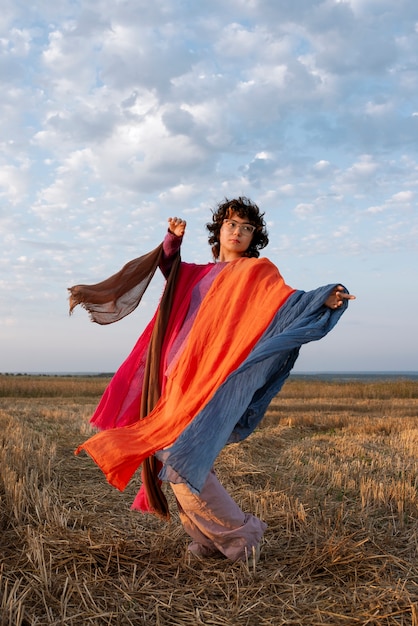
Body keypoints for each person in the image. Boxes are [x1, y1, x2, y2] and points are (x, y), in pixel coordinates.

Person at [69, 197, 355, 564]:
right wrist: (171, 241)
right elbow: (172, 273)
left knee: (179, 455)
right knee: (184, 458)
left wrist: (324, 298)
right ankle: (205, 538)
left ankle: (241, 535)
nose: (238, 232)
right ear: (219, 230)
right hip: (176, 376)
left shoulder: (258, 272)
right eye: (232, 224)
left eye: (247, 227)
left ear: (255, 237)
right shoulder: (198, 274)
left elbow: (288, 302)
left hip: (215, 379)